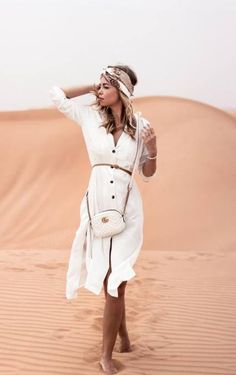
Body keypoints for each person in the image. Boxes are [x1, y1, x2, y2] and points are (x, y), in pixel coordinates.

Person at [49, 64, 157, 375]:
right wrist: (92, 85)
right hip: (97, 207)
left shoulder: (142, 125)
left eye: (107, 86)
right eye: (100, 85)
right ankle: (123, 335)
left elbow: (147, 175)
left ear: (122, 92)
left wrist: (153, 149)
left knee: (117, 279)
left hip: (127, 210)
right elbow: (56, 95)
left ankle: (105, 355)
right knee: (113, 279)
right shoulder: (90, 117)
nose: (100, 90)